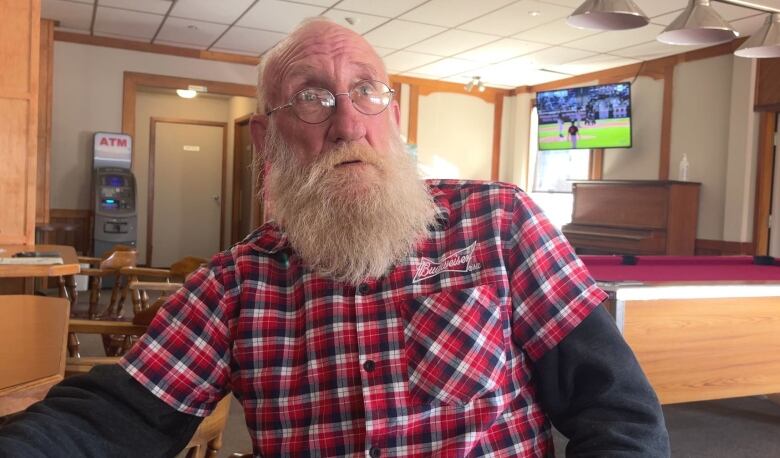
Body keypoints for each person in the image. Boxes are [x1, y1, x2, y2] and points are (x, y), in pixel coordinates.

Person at [0, 18, 669, 457]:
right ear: (267, 139)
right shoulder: (237, 285)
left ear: (393, 115)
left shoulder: (500, 224)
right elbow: (108, 421)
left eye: (366, 91)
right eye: (313, 97)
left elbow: (618, 413)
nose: (348, 122)